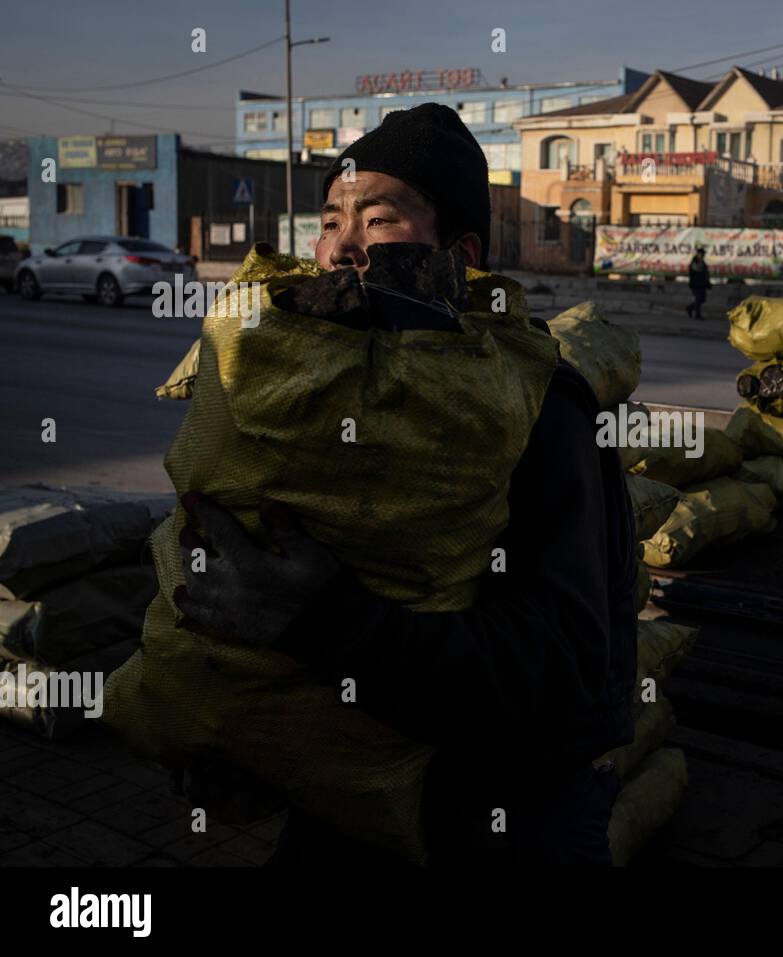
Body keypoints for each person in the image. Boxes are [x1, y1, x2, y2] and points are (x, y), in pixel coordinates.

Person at [171, 104, 639, 867]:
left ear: (460, 257)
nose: (340, 248)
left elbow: (564, 668)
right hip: (354, 794)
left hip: (505, 807)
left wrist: (322, 618)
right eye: (328, 220)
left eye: (378, 219)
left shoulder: (539, 406)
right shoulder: (339, 396)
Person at [686, 246, 710, 318]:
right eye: (701, 254)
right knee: (698, 299)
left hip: (702, 284)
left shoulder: (702, 262)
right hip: (696, 284)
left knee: (702, 299)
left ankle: (690, 308)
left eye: (703, 254)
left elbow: (705, 273)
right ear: (698, 254)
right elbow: (697, 271)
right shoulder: (695, 262)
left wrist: (707, 282)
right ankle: (697, 315)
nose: (702, 255)